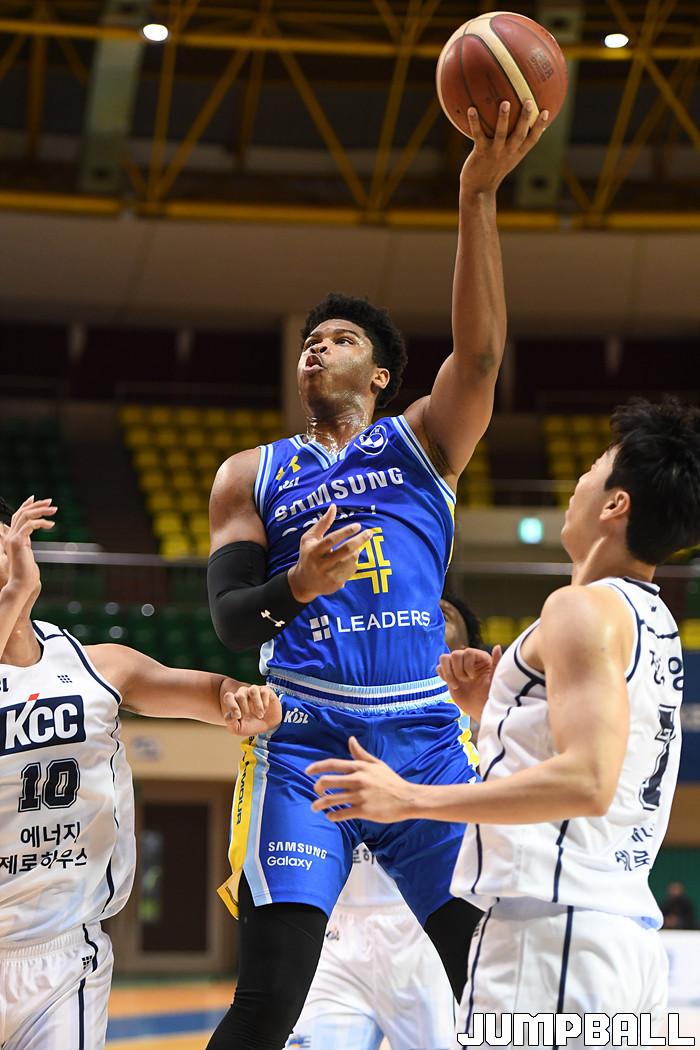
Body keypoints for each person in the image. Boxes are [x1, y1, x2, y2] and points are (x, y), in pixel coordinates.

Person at [206, 99, 549, 1050]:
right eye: (310, 340)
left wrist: (476, 195)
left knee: (490, 982)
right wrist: (296, 587)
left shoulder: (423, 444)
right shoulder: (249, 474)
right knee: (269, 1001)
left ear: (382, 377)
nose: (317, 346)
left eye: (341, 340)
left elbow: (481, 353)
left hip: (424, 739)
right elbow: (232, 621)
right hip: (304, 738)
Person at [308, 397, 700, 1041]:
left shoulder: (578, 608)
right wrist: (497, 708)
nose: (579, 481)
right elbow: (604, 751)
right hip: (617, 937)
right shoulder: (655, 621)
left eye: (593, 469)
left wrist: (409, 798)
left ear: (615, 504)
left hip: (550, 938)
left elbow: (587, 781)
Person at [0, 495, 279, 1050]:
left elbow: (208, 693)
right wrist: (13, 596)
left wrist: (242, 701)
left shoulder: (94, 666)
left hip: (63, 955)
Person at [286, 594, 483, 1050]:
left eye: (447, 612)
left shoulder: (471, 725)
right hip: (336, 935)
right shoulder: (337, 693)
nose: (432, 607)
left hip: (426, 931)